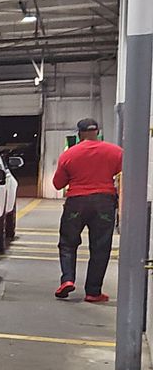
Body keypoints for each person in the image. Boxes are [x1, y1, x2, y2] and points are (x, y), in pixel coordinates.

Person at [51, 118, 122, 303]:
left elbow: (58, 184)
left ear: (79, 133)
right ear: (97, 132)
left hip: (76, 203)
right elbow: (124, 173)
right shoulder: (115, 152)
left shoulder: (69, 154)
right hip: (104, 203)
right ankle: (93, 292)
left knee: (68, 243)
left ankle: (67, 280)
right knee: (100, 247)